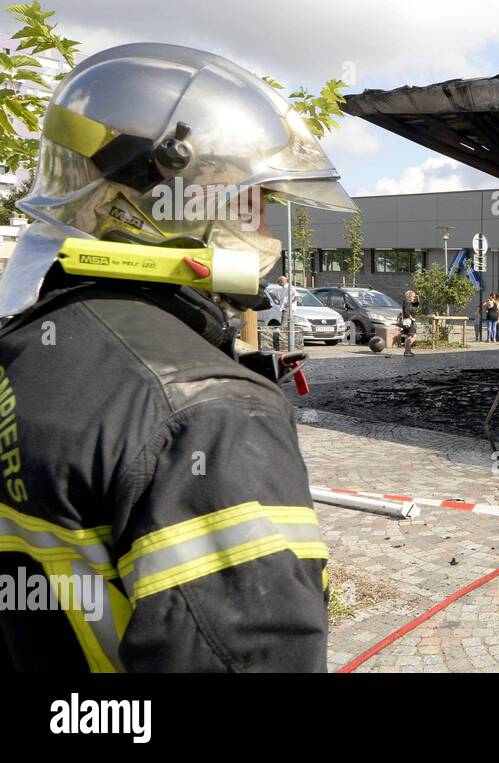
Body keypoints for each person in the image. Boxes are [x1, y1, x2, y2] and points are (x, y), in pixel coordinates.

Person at [0, 44, 357, 672]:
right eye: (253, 200)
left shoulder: (27, 342)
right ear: (168, 196)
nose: (266, 229)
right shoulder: (209, 410)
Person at [400, 289, 420, 357]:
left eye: (414, 296)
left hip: (412, 322)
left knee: (413, 336)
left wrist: (417, 297)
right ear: (409, 296)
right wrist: (412, 318)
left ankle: (408, 350)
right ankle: (407, 351)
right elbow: (406, 312)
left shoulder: (411, 303)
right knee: (409, 336)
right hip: (408, 321)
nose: (414, 297)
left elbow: (417, 304)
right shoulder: (407, 302)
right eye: (413, 296)